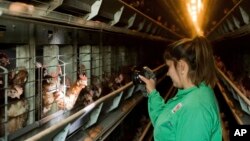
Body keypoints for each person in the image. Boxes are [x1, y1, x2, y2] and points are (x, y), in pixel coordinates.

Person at [139, 36, 222, 141]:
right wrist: (152, 92)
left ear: (181, 66)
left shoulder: (195, 109)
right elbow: (166, 123)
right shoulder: (192, 93)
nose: (168, 73)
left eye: (169, 66)